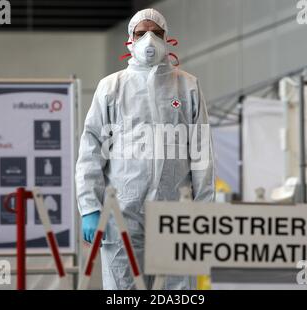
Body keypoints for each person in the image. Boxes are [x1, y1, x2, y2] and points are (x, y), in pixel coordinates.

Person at [75, 8, 215, 290]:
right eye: (141, 33)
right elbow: (91, 148)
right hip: (122, 212)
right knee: (123, 286)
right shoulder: (111, 87)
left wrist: (203, 211)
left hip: (175, 212)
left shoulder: (186, 86)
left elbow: (201, 153)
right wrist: (90, 207)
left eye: (157, 33)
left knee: (174, 288)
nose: (149, 40)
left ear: (167, 38)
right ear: (130, 40)